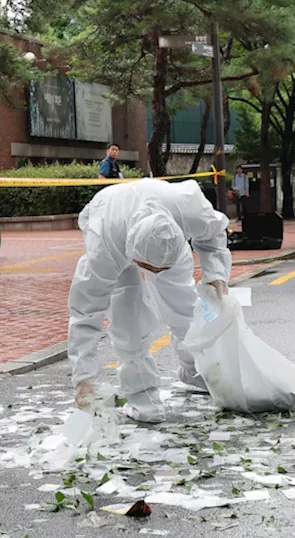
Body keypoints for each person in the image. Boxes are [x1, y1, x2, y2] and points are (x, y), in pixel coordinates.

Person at [69, 179, 231, 423]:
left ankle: (194, 369)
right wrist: (83, 378)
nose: (155, 274)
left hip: (161, 226)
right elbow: (86, 311)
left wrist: (216, 274)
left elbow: (214, 232)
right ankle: (143, 396)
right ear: (135, 256)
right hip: (111, 218)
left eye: (161, 268)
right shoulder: (105, 245)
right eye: (148, 268)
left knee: (184, 307)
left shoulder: (190, 209)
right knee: (128, 316)